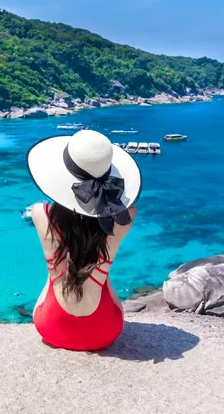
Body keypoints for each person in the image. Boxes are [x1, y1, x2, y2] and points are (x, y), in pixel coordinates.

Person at [25, 129, 139, 352]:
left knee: (55, 275)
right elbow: (123, 209)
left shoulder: (41, 214)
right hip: (104, 331)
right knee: (101, 275)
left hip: (50, 326)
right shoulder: (127, 217)